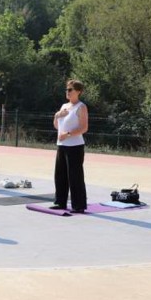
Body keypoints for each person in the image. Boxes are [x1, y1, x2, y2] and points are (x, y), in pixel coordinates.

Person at [51, 79, 89, 213]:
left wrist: (67, 134)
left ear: (78, 91)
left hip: (75, 146)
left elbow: (84, 128)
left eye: (70, 89)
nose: (67, 92)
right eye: (66, 89)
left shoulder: (81, 107)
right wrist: (57, 115)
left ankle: (78, 205)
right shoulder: (63, 106)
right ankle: (60, 202)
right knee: (60, 175)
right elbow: (57, 125)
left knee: (75, 176)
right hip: (61, 145)